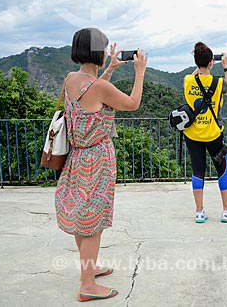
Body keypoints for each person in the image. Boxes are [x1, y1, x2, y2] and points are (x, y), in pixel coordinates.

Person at [55, 27, 148, 302]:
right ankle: (87, 285)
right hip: (97, 159)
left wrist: (109, 69)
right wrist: (139, 71)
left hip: (77, 157)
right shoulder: (99, 87)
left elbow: (91, 91)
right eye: (106, 48)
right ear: (98, 51)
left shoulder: (71, 79)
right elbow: (132, 103)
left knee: (80, 213)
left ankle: (90, 267)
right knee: (92, 221)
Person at [183, 42, 227, 224]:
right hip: (214, 134)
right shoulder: (219, 83)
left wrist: (199, 66)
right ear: (211, 63)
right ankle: (226, 211)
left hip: (192, 134)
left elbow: (194, 75)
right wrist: (225, 66)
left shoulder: (188, 80)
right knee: (222, 170)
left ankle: (199, 212)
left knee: (198, 171)